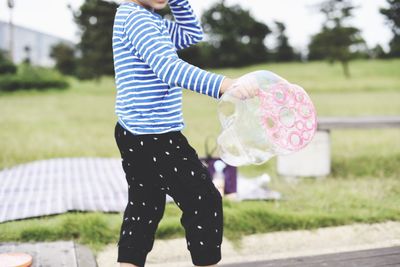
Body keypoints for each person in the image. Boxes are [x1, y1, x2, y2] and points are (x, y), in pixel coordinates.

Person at [112, 0, 256, 266]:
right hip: (154, 134)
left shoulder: (148, 19)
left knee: (145, 205)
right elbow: (170, 69)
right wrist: (224, 85)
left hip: (135, 132)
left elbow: (191, 34)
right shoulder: (137, 20)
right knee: (204, 201)